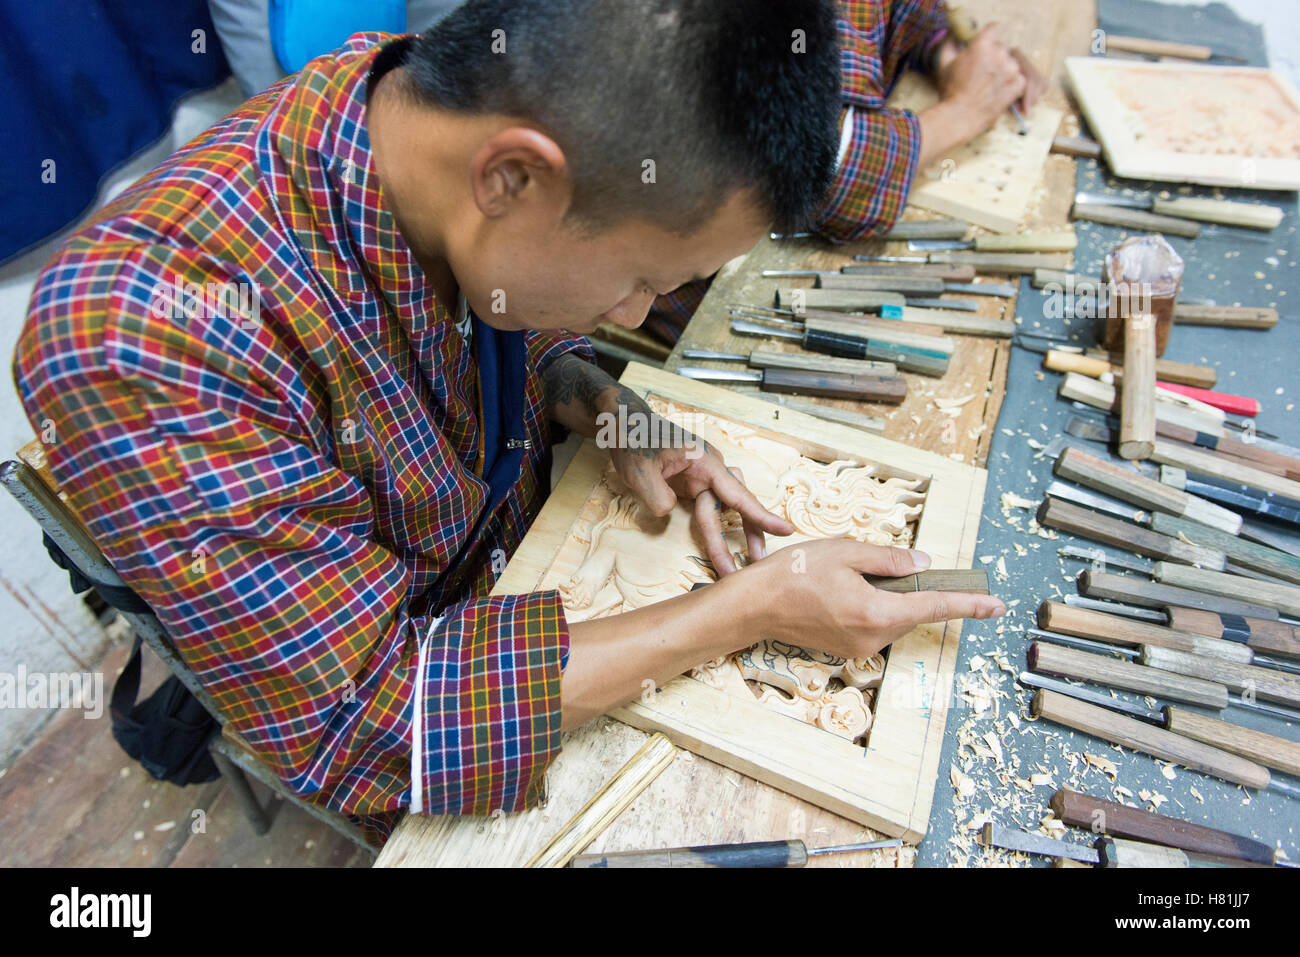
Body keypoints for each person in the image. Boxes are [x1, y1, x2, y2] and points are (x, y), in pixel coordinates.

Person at [14, 0, 1004, 842]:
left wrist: (604, 407)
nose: (633, 315)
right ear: (515, 177)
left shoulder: (408, 122)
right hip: (385, 671)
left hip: (511, 569)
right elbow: (367, 730)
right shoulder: (145, 334)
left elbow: (507, 318)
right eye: (643, 280)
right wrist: (747, 610)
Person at [644, 0, 1047, 343]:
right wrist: (967, 109)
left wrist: (946, 53)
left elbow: (907, 11)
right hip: (694, 282)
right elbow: (814, 171)